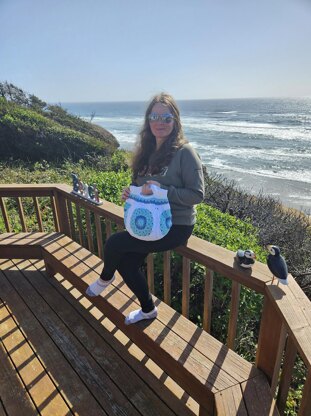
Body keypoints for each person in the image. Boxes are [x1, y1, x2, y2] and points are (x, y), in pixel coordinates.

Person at [86, 93, 204, 325]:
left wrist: (163, 191)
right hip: (148, 220)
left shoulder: (185, 153)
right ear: (148, 120)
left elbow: (197, 195)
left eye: (166, 117)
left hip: (176, 226)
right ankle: (148, 309)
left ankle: (104, 279)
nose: (160, 122)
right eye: (155, 116)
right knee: (127, 262)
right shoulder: (147, 151)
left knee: (114, 243)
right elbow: (139, 185)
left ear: (176, 121)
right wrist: (130, 192)